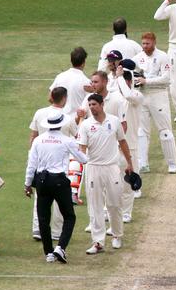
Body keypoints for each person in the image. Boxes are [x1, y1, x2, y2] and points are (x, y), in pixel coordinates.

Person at [24, 110, 88, 263]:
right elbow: (83, 159)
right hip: (59, 180)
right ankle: (61, 247)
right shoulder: (67, 140)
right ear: (61, 124)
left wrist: (27, 184)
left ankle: (49, 253)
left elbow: (31, 164)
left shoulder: (39, 140)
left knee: (43, 218)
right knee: (69, 216)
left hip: (42, 180)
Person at [78, 94, 133, 254]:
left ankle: (117, 235)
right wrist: (82, 162)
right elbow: (82, 147)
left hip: (112, 167)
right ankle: (98, 242)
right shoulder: (86, 125)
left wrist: (129, 163)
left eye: (94, 104)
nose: (92, 107)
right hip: (94, 167)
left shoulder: (114, 121)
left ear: (102, 104)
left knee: (114, 203)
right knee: (95, 206)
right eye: (90, 105)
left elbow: (122, 142)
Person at [28, 87, 78, 241]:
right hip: (59, 163)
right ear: (64, 99)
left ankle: (38, 229)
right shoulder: (67, 118)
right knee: (59, 197)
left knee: (40, 195)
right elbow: (77, 137)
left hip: (40, 159)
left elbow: (33, 136)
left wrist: (32, 157)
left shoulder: (39, 113)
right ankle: (56, 231)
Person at [132, 32, 176, 174]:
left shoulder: (163, 57)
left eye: (148, 43)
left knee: (165, 132)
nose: (145, 46)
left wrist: (147, 81)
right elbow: (132, 76)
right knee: (141, 132)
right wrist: (136, 81)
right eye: (143, 43)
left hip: (158, 95)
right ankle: (143, 163)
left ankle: (172, 164)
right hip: (142, 96)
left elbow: (166, 78)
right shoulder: (137, 58)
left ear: (154, 42)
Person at [114, 60, 144, 221]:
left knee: (127, 183)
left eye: (126, 78)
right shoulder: (114, 98)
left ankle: (126, 213)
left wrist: (119, 78)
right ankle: (107, 211)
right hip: (112, 147)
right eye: (122, 78)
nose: (123, 81)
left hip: (130, 146)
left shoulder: (137, 96)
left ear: (130, 80)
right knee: (111, 183)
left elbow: (127, 94)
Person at [49, 47, 91, 116]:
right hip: (76, 121)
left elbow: (50, 98)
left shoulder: (60, 76)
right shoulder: (87, 82)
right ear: (83, 63)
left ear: (71, 61)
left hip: (60, 119)